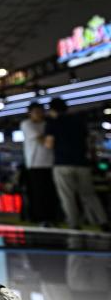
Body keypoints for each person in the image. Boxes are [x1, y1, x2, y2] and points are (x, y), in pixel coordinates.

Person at [45, 98, 109, 231]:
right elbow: (88, 142)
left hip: (62, 163)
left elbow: (49, 144)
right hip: (82, 163)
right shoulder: (78, 121)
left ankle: (74, 223)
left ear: (52, 109)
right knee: (89, 194)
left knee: (67, 196)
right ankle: (103, 221)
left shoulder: (52, 123)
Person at [19, 102, 59, 225]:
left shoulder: (47, 124)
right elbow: (43, 141)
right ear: (30, 113)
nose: (39, 114)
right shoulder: (27, 124)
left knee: (50, 192)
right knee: (38, 193)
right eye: (36, 112)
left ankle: (52, 217)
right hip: (35, 164)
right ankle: (40, 218)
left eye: (41, 111)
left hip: (51, 162)